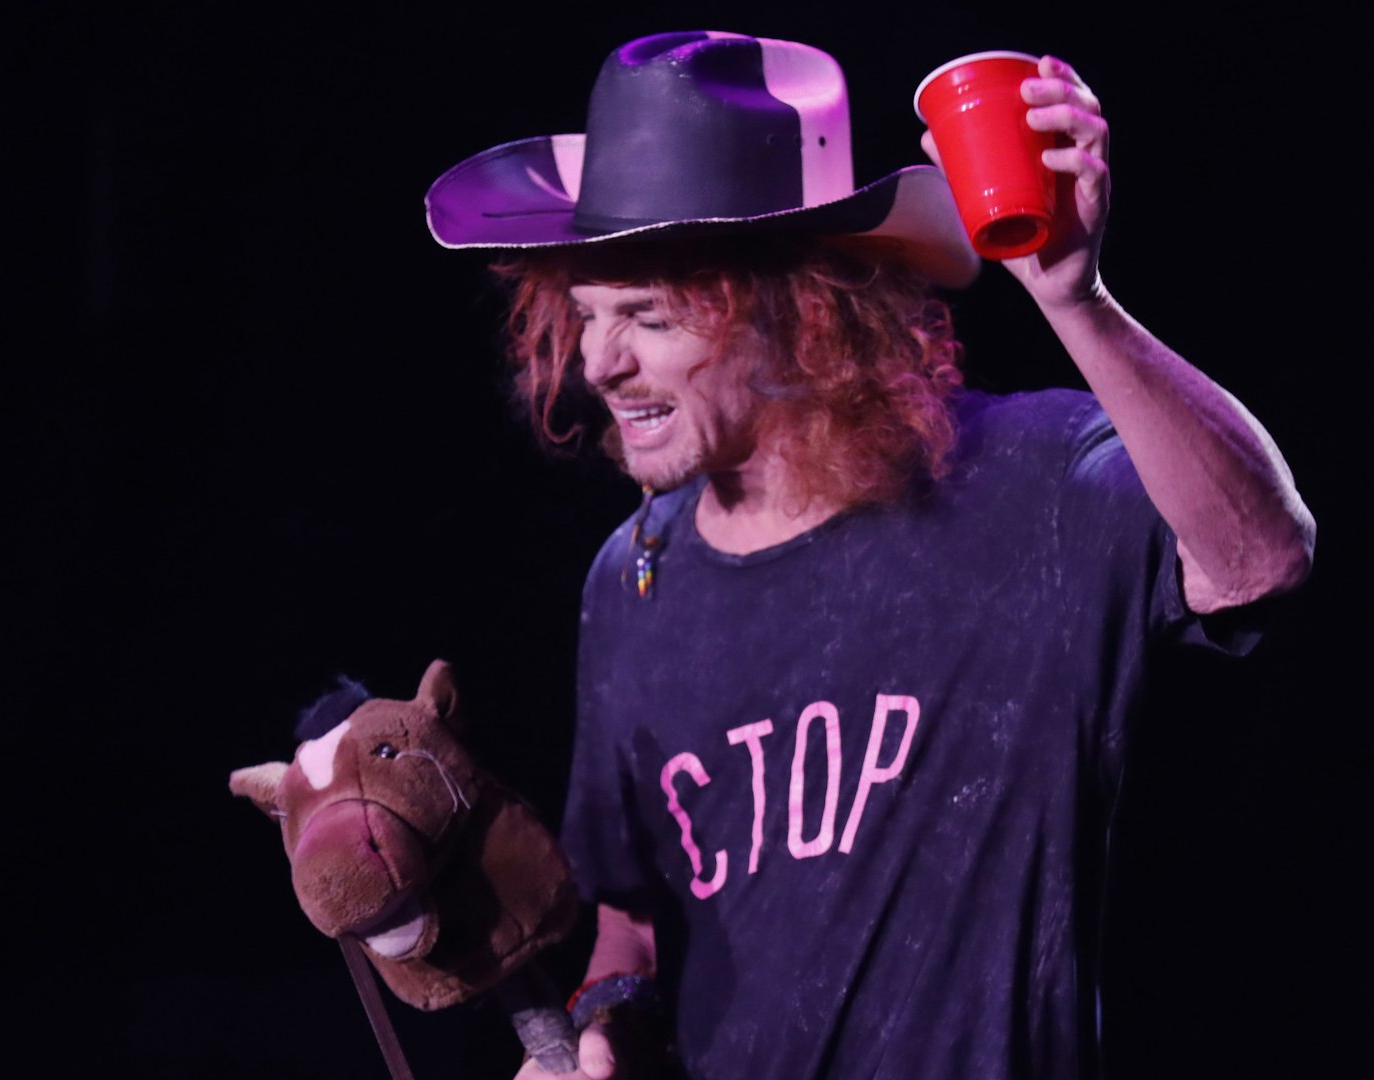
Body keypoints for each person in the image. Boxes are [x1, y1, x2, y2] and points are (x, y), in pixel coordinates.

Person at [427, 30, 1314, 1080]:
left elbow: (1260, 558)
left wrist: (1077, 300)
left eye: (648, 317)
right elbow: (635, 917)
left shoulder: (1030, 484)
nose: (601, 364)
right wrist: (605, 1026)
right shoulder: (631, 578)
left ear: (798, 309)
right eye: (587, 317)